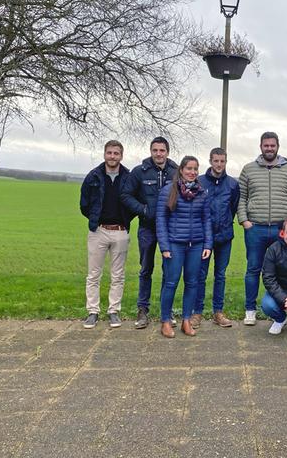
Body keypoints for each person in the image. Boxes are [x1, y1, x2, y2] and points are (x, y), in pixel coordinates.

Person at [238, 131, 287, 325]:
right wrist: (244, 220)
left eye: (272, 145)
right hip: (255, 228)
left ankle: (278, 307)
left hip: (281, 230)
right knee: (253, 269)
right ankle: (250, 309)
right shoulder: (249, 169)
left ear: (278, 146)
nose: (269, 148)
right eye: (266, 145)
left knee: (280, 270)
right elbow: (241, 197)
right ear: (260, 147)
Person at [121, 137, 178, 329]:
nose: (158, 154)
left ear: (167, 152)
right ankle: (143, 310)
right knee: (146, 269)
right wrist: (143, 209)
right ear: (150, 151)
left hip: (170, 230)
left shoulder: (176, 171)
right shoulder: (139, 171)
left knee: (169, 270)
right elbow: (125, 195)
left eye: (162, 150)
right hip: (147, 227)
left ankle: (166, 310)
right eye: (155, 150)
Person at [156, 156, 212, 338]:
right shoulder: (168, 191)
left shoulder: (202, 192)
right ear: (181, 170)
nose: (192, 172)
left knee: (192, 283)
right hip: (174, 245)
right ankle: (165, 321)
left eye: (195, 169)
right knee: (171, 283)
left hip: (196, 245)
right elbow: (161, 220)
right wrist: (164, 246)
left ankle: (186, 320)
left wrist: (208, 244)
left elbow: (206, 220)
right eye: (189, 168)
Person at [79, 140, 131, 329]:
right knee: (93, 274)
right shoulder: (93, 176)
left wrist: (126, 219)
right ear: (104, 154)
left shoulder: (128, 177)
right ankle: (92, 311)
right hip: (98, 231)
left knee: (118, 275)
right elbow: (84, 204)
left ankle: (113, 311)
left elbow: (133, 202)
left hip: (120, 231)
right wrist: (95, 218)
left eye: (116, 153)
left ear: (121, 156)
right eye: (109, 153)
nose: (112, 156)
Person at [192, 147, 239, 328]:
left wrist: (225, 223)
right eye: (216, 161)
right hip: (203, 237)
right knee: (200, 275)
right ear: (210, 161)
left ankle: (218, 312)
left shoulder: (233, 184)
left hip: (225, 237)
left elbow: (233, 208)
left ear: (226, 162)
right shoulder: (200, 182)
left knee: (220, 275)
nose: (219, 165)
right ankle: (197, 313)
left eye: (222, 161)